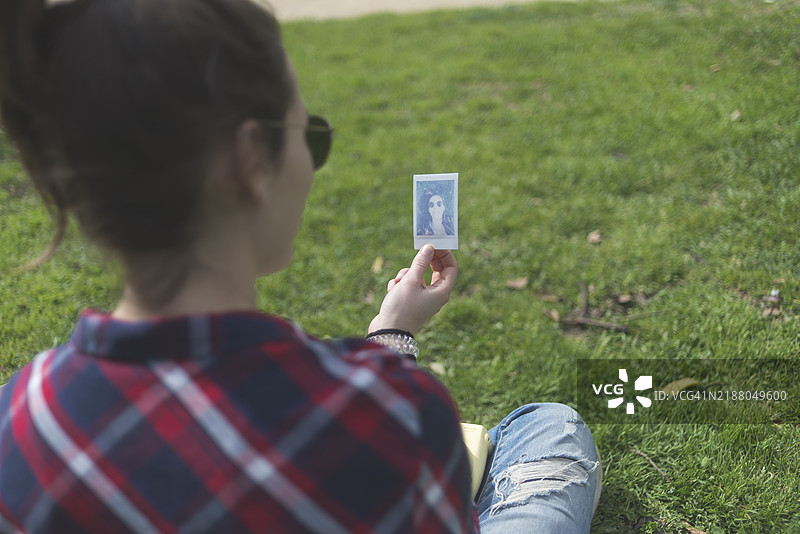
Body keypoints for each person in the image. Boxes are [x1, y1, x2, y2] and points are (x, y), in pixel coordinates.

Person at [0, 0, 600, 532]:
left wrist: (391, 333)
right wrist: (390, 365)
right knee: (550, 428)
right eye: (311, 137)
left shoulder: (24, 417)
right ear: (250, 161)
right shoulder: (399, 416)